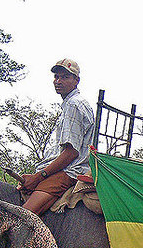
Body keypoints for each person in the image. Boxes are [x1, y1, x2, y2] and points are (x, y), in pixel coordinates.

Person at [19, 58, 95, 216]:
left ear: (76, 81)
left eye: (65, 77)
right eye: (56, 77)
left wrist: (39, 176)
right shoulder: (73, 104)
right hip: (65, 169)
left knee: (22, 217)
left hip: (69, 172)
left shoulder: (73, 105)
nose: (58, 81)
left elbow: (71, 153)